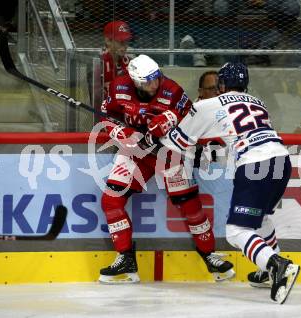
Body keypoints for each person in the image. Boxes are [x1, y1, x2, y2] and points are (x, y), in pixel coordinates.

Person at [157, 62, 300, 304]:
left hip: (255, 164)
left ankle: (277, 264)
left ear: (221, 85)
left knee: (236, 231)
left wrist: (153, 132)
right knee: (262, 217)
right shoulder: (258, 102)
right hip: (281, 160)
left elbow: (175, 142)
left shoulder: (208, 104)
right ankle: (267, 269)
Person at [99, 54, 234, 284]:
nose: (155, 84)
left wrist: (170, 120)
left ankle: (209, 255)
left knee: (189, 204)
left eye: (156, 77)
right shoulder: (118, 87)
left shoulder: (172, 90)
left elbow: (194, 120)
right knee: (111, 199)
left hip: (169, 153)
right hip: (136, 153)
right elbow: (104, 116)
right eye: (148, 81)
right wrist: (118, 132)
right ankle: (125, 258)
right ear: (135, 81)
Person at [102, 20, 133, 96]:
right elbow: (95, 96)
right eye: (121, 42)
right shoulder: (98, 62)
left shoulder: (130, 62)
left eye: (127, 41)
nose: (125, 46)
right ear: (108, 41)